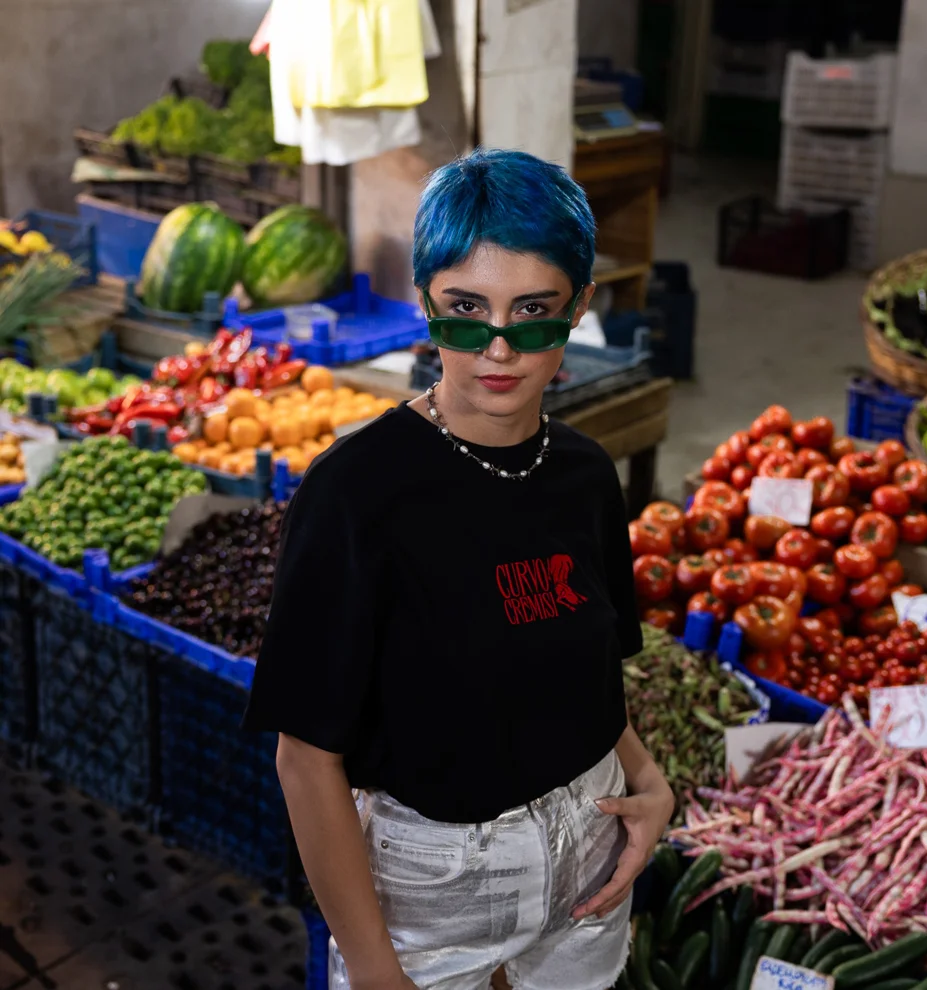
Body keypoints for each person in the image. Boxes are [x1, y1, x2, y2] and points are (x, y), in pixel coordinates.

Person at [243, 147, 675, 990]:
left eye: (537, 312)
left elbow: (582, 673)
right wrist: (373, 968)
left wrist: (648, 778)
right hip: (431, 891)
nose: (500, 349)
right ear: (426, 306)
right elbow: (305, 759)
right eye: (466, 311)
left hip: (591, 853)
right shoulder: (354, 494)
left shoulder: (588, 477)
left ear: (581, 308)